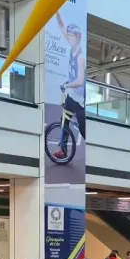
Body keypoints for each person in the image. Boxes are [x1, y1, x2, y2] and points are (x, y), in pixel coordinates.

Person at [51, 12, 86, 160]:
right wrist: (56, 10)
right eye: (69, 35)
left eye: (72, 36)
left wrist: (67, 85)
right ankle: (64, 151)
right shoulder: (72, 47)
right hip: (72, 96)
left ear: (78, 38)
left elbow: (80, 80)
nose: (69, 38)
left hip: (80, 100)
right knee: (64, 120)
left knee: (84, 130)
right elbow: (61, 25)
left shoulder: (80, 57)